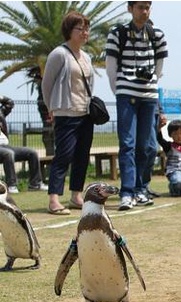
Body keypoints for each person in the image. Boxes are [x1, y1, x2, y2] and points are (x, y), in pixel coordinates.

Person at [105, 1, 168, 211]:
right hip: (126, 95)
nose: (144, 11)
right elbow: (111, 67)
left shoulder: (157, 34)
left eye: (147, 6)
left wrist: (151, 83)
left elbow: (160, 67)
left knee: (149, 146)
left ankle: (141, 188)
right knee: (128, 144)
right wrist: (121, 89)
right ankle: (127, 192)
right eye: (140, 6)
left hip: (149, 95)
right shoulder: (118, 33)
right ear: (130, 8)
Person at [41, 11, 95, 215]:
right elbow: (47, 84)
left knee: (82, 156)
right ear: (69, 30)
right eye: (80, 28)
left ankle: (76, 196)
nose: (85, 32)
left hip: (85, 113)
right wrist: (51, 107)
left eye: (87, 28)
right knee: (63, 155)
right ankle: (54, 199)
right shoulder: (59, 54)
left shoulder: (87, 57)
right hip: (66, 112)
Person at [0, 96, 48, 194]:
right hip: (4, 151)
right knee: (8, 154)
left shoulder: (1, 113)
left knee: (32, 152)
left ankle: (35, 184)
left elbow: (10, 102)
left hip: (5, 145)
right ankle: (11, 185)